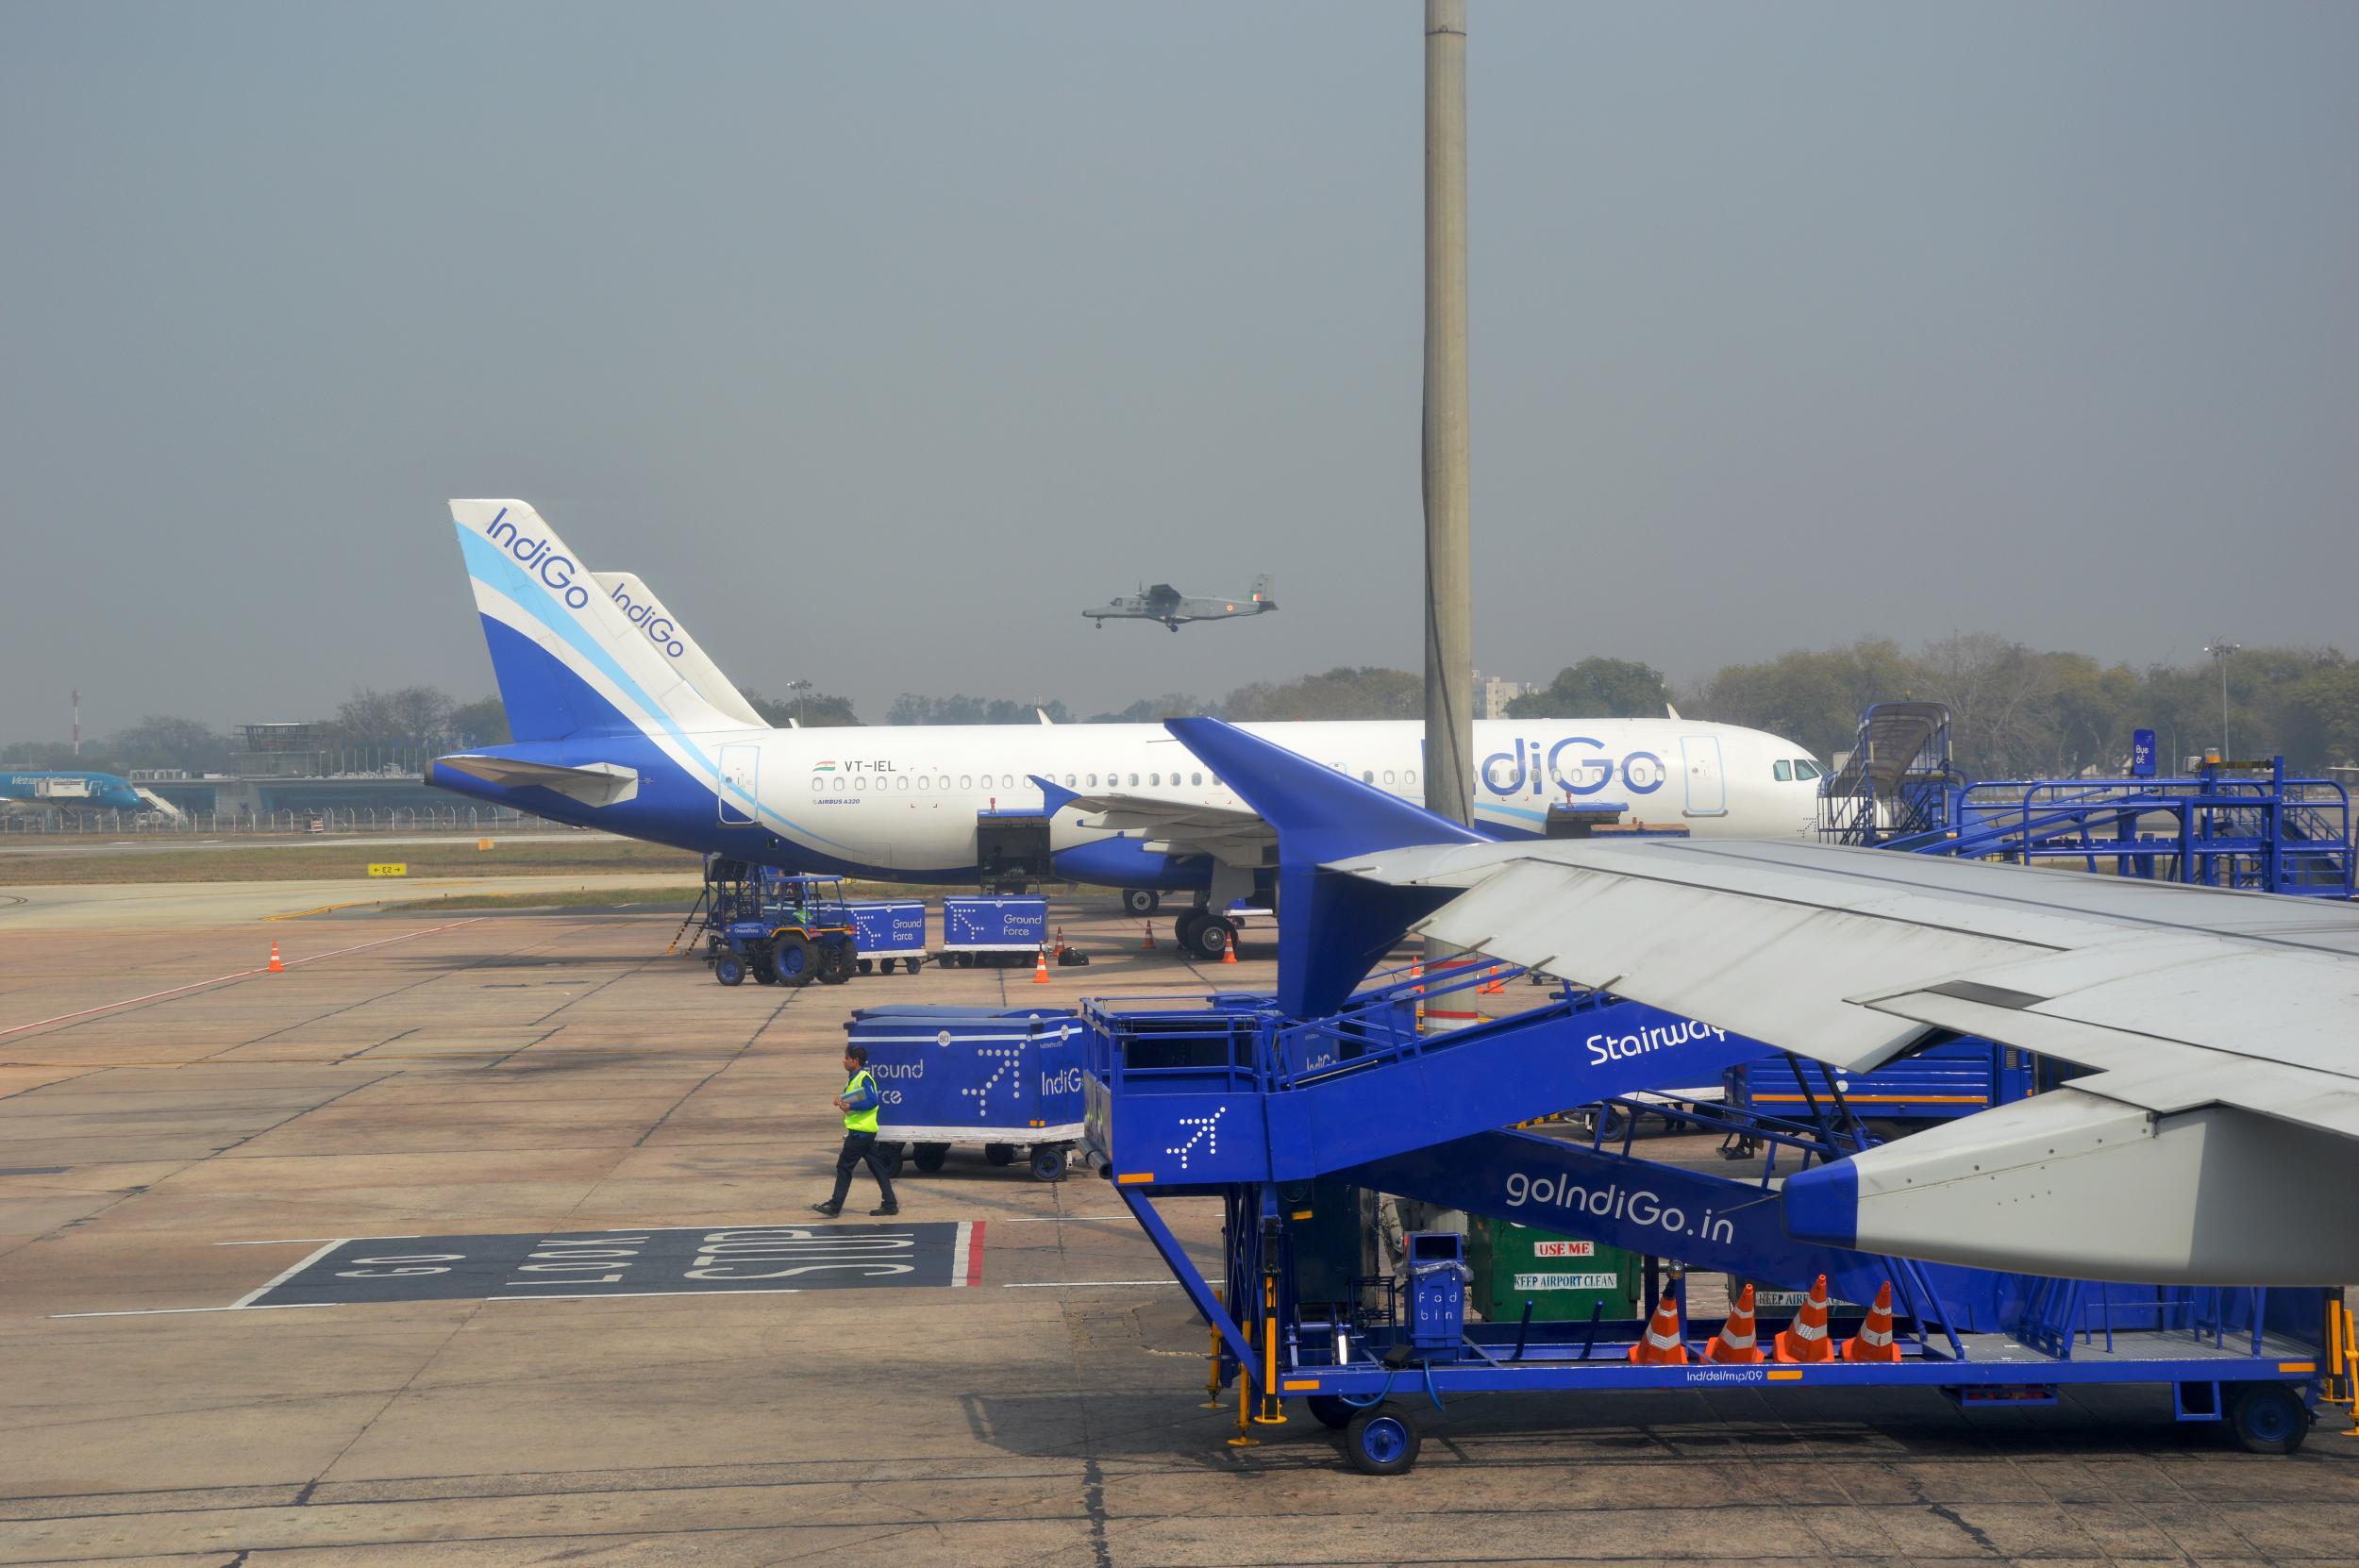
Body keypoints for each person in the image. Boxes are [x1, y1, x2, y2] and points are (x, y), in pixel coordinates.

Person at [812, 1043, 897, 1217]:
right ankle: (890, 1203)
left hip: (860, 1133)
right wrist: (843, 1102)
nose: (843, 1061)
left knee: (844, 1166)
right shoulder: (854, 1078)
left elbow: (872, 1101)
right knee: (878, 1168)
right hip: (864, 1132)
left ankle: (835, 1206)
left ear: (856, 1061)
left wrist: (850, 1106)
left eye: (847, 1058)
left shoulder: (864, 1078)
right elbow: (857, 1099)